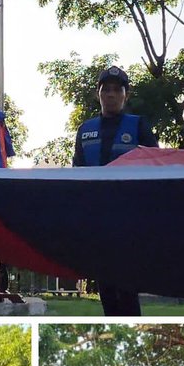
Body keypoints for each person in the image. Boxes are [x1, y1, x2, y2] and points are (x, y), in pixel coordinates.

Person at [72, 65, 159, 317]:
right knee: (107, 288)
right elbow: (76, 175)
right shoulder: (85, 130)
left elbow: (156, 167)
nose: (111, 95)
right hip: (97, 220)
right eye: (106, 89)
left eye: (117, 90)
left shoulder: (138, 126)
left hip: (129, 219)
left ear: (125, 95)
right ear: (98, 94)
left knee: (127, 287)